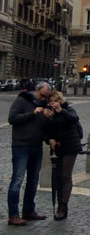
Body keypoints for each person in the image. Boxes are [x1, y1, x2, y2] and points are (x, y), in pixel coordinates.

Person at [7, 81, 53, 225]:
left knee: (33, 181)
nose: (44, 99)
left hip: (36, 146)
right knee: (17, 180)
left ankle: (28, 211)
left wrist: (47, 118)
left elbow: (43, 127)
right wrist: (32, 113)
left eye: (46, 97)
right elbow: (12, 119)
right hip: (21, 146)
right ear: (36, 90)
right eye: (42, 95)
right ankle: (13, 215)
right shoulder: (22, 100)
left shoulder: (44, 105)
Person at [44, 91, 83, 220]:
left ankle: (63, 205)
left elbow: (74, 119)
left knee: (66, 176)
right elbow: (47, 131)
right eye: (50, 102)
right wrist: (49, 138)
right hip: (58, 148)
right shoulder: (50, 113)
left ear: (59, 101)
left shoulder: (68, 110)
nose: (52, 104)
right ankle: (59, 202)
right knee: (57, 177)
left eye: (54, 101)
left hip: (70, 146)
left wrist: (61, 111)